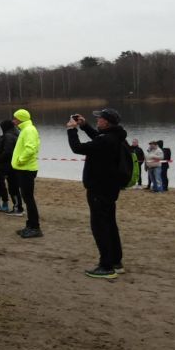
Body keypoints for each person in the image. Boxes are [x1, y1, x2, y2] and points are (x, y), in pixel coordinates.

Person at [67, 109, 128, 279]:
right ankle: (116, 261)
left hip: (99, 188)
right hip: (110, 187)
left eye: (99, 118)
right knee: (110, 224)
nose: (98, 120)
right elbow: (98, 138)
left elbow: (77, 148)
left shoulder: (106, 140)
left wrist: (71, 130)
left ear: (106, 122)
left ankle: (106, 265)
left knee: (100, 226)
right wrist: (85, 126)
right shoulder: (117, 136)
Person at [11, 109, 42, 238]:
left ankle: (35, 227)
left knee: (29, 199)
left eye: (15, 118)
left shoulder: (29, 130)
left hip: (27, 169)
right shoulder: (26, 129)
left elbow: (30, 149)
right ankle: (30, 225)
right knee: (27, 198)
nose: (13, 121)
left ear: (21, 119)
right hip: (24, 169)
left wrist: (20, 160)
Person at [0, 119, 22, 215]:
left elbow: (8, 152)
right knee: (15, 187)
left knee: (13, 187)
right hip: (15, 165)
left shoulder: (8, 136)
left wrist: (0, 158)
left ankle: (17, 208)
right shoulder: (17, 133)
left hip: (10, 166)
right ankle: (18, 207)